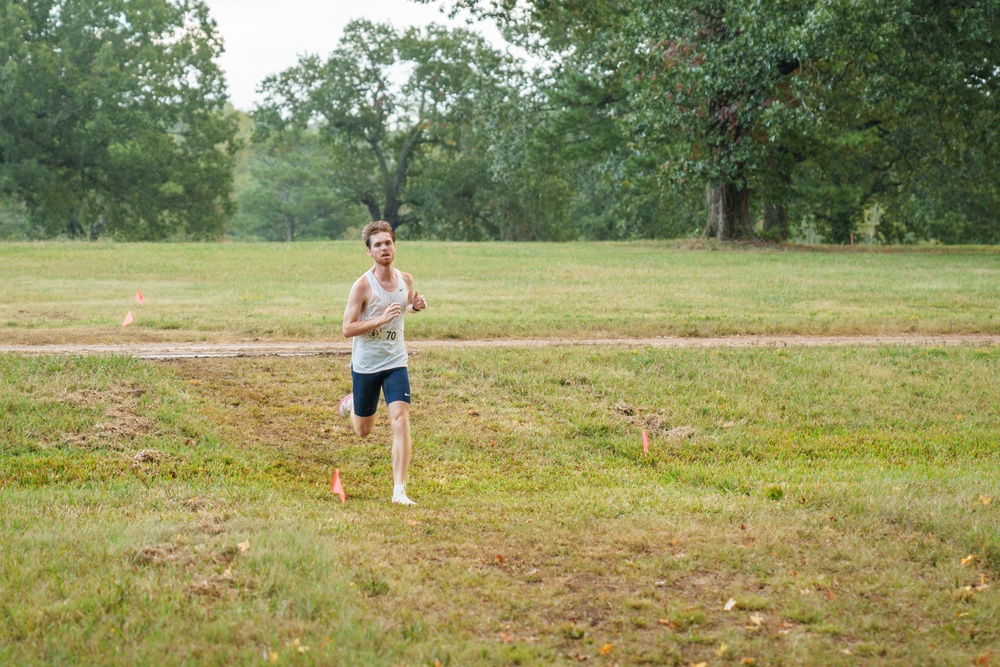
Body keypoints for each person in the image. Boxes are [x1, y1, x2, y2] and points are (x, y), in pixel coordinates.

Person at [338, 220, 427, 505]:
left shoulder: (406, 280)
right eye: (378, 245)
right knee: (364, 431)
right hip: (366, 364)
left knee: (401, 420)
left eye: (388, 243)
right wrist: (378, 320)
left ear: (394, 246)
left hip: (395, 361)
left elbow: (404, 306)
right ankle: (353, 403)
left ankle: (399, 490)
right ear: (370, 252)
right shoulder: (363, 286)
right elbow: (347, 329)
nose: (384, 248)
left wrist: (415, 307)